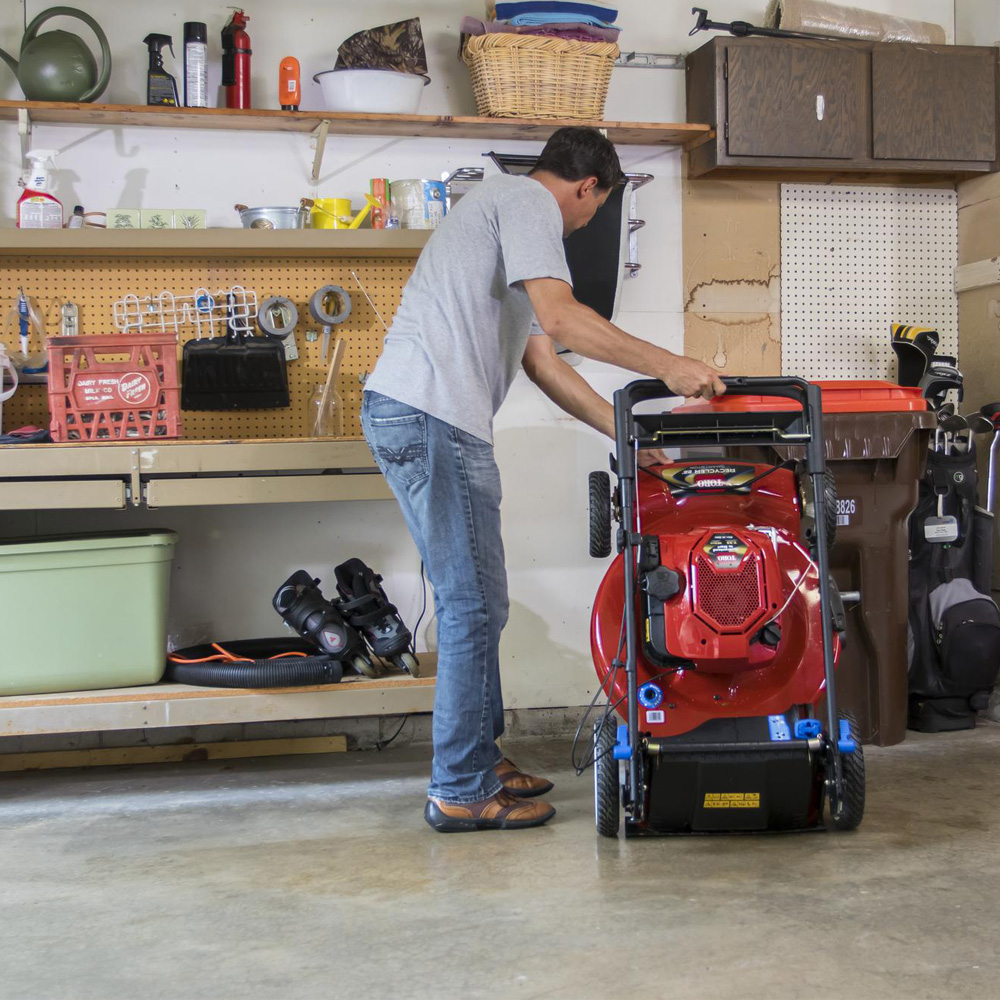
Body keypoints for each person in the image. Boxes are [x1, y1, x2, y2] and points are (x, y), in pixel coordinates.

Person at [362, 126, 725, 833]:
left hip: (431, 416)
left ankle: (477, 757)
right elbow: (565, 320)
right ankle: (459, 787)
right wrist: (669, 365)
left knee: (481, 602)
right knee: (471, 606)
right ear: (589, 187)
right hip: (432, 415)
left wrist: (629, 438)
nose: (590, 221)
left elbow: (545, 362)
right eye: (597, 207)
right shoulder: (526, 202)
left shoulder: (504, 220)